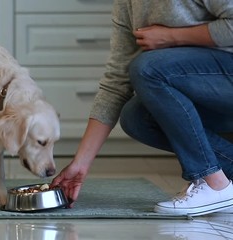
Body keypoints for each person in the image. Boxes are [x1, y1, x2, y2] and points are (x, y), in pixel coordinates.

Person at [51, 0, 233, 216]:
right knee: (136, 116)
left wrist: (172, 37)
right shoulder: (126, 4)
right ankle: (223, 177)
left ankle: (214, 182)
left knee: (148, 67)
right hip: (209, 92)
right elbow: (116, 81)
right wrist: (80, 164)